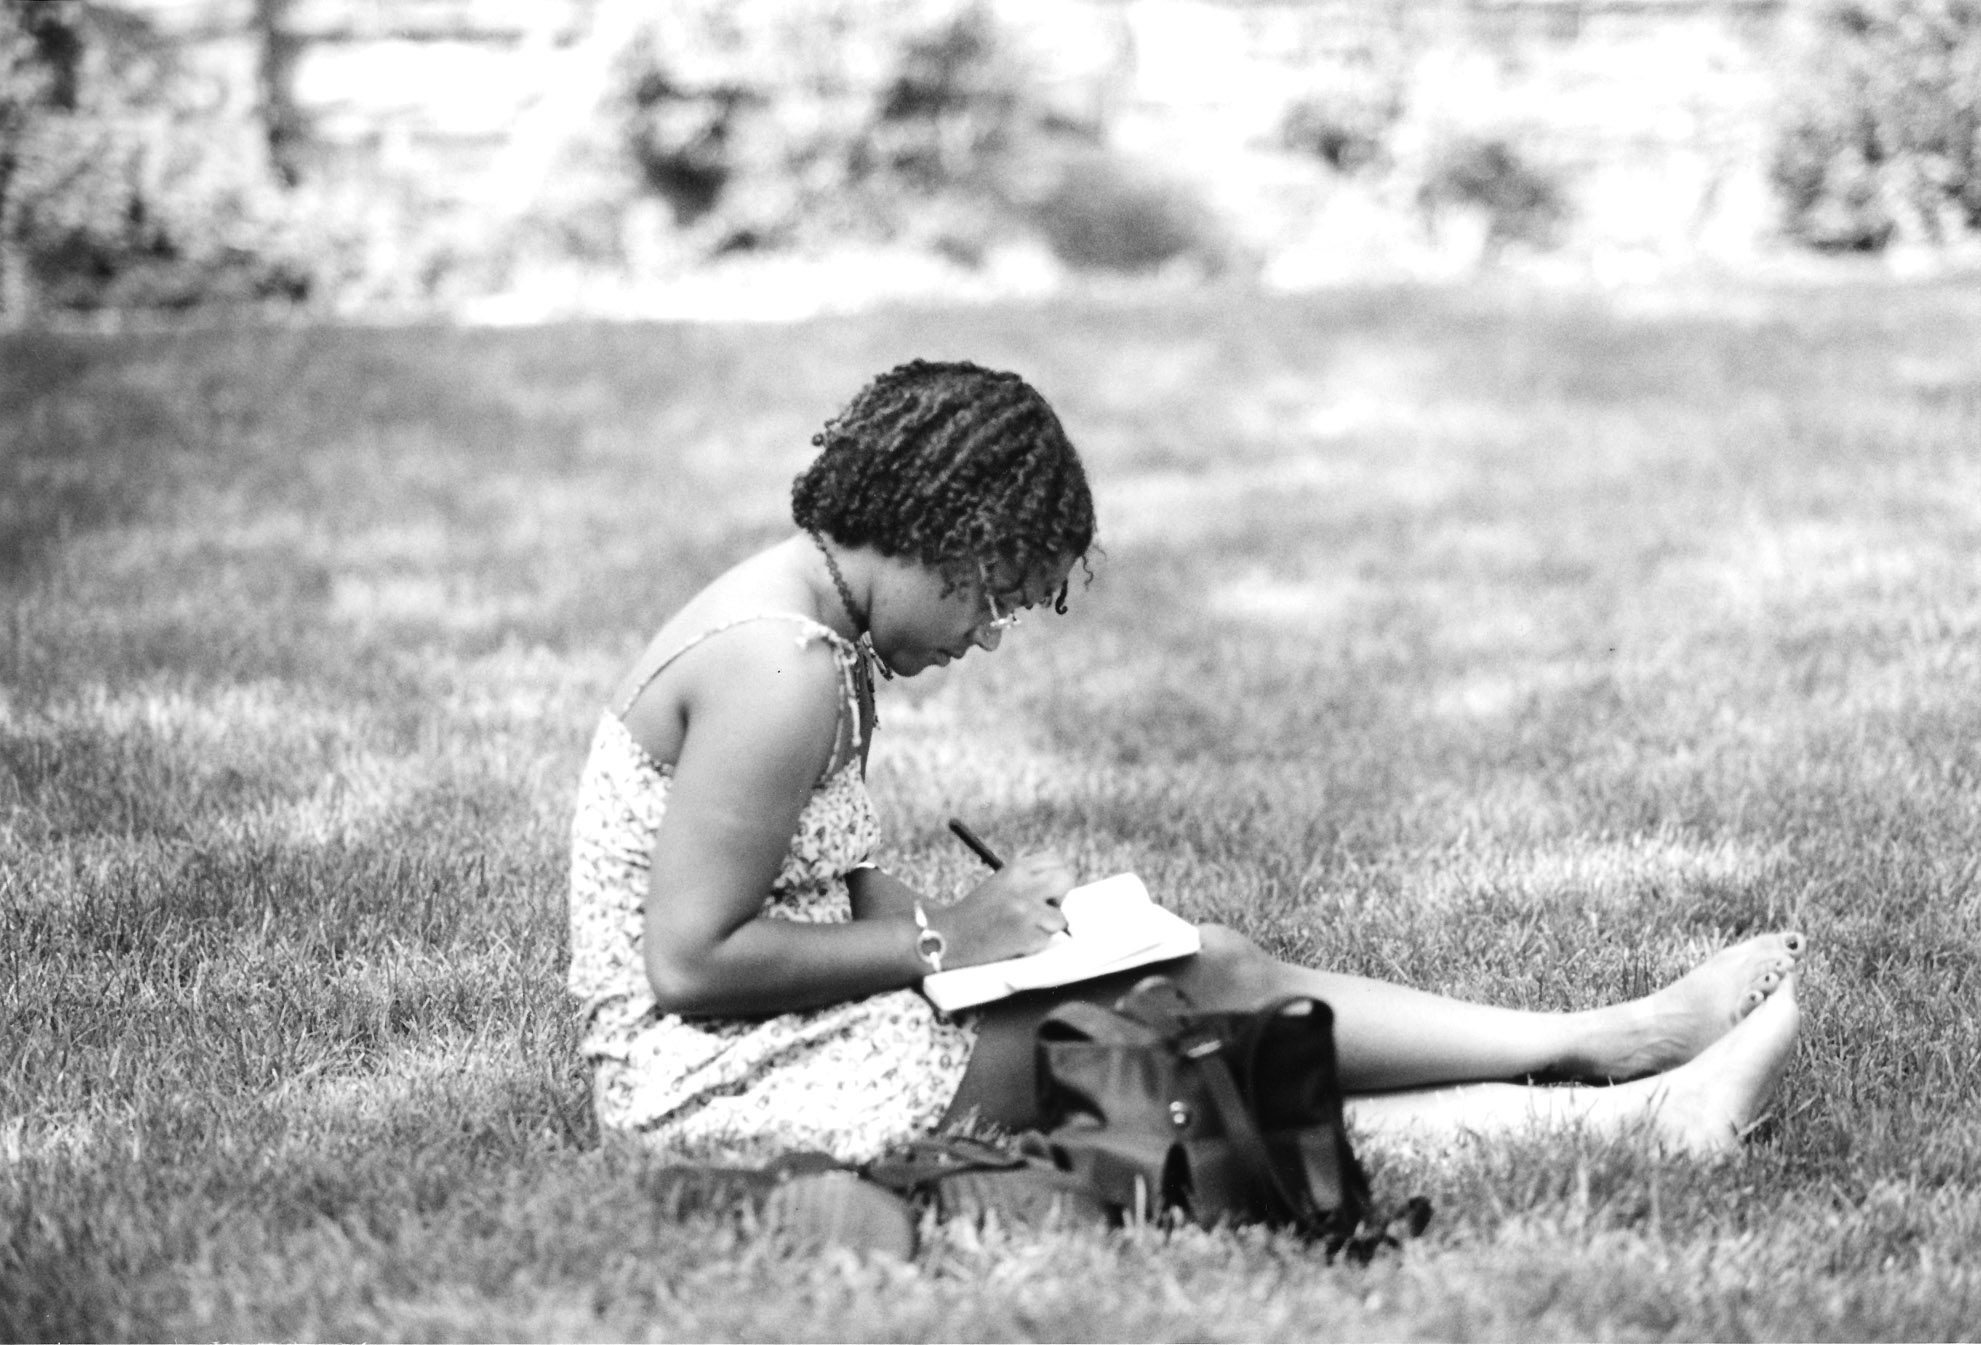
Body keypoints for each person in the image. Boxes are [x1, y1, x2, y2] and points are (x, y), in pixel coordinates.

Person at [566, 359, 1804, 1176]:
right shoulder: (778, 667)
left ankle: (1628, 1095)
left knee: (1189, 997)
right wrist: (948, 942)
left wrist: (1003, 940)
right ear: (943, 535)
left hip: (788, 1032)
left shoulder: (827, 635)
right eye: (992, 595)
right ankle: (1615, 1061)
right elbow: (691, 963)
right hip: (718, 1085)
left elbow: (826, 885)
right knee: (1178, 1026)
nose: (986, 633)